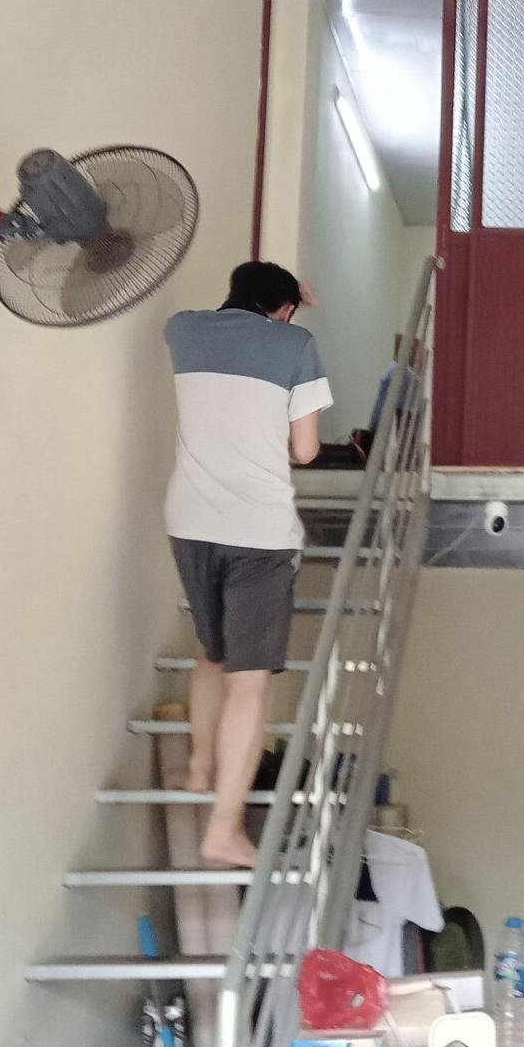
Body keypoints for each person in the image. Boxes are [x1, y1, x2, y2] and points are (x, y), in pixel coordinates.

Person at [163, 261, 331, 869]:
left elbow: (242, 318)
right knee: (250, 681)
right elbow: (305, 450)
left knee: (212, 652)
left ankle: (199, 770)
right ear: (284, 310)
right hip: (258, 533)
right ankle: (224, 829)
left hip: (189, 521)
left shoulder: (183, 330)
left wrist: (282, 301)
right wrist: (293, 318)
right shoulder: (296, 344)